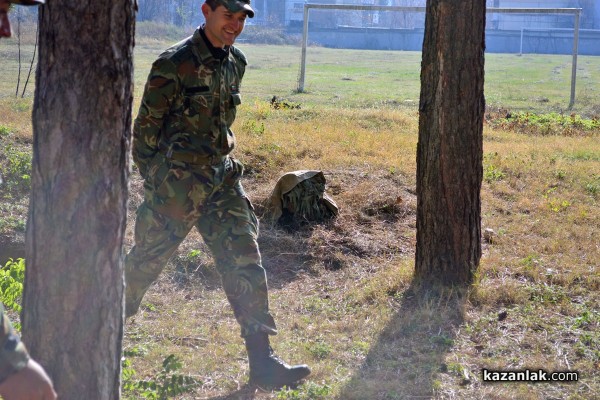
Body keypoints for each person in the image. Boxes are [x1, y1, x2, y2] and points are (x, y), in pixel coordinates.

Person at [125, 0, 311, 389]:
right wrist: (160, 182)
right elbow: (144, 134)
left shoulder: (235, 61)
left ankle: (263, 362)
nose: (236, 25)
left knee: (245, 258)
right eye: (229, 16)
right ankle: (92, 336)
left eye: (242, 18)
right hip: (177, 187)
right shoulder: (173, 63)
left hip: (221, 181)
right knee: (143, 263)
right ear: (207, 10)